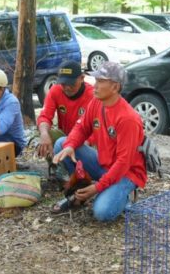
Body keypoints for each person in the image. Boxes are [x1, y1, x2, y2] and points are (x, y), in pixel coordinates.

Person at [52, 61, 147, 222]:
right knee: (62, 143)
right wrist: (70, 146)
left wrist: (97, 188)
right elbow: (81, 128)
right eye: (96, 80)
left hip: (125, 173)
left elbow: (123, 163)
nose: (95, 85)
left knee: (102, 212)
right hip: (104, 164)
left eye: (101, 81)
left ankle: (125, 196)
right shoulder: (97, 102)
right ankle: (80, 192)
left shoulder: (128, 119)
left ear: (115, 87)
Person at [36, 60, 94, 160]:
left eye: (71, 84)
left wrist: (88, 142)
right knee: (45, 134)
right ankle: (55, 165)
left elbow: (100, 127)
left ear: (82, 78)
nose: (67, 87)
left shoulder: (93, 95)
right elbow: (45, 116)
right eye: (63, 83)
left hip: (87, 140)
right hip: (65, 137)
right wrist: (44, 134)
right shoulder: (55, 90)